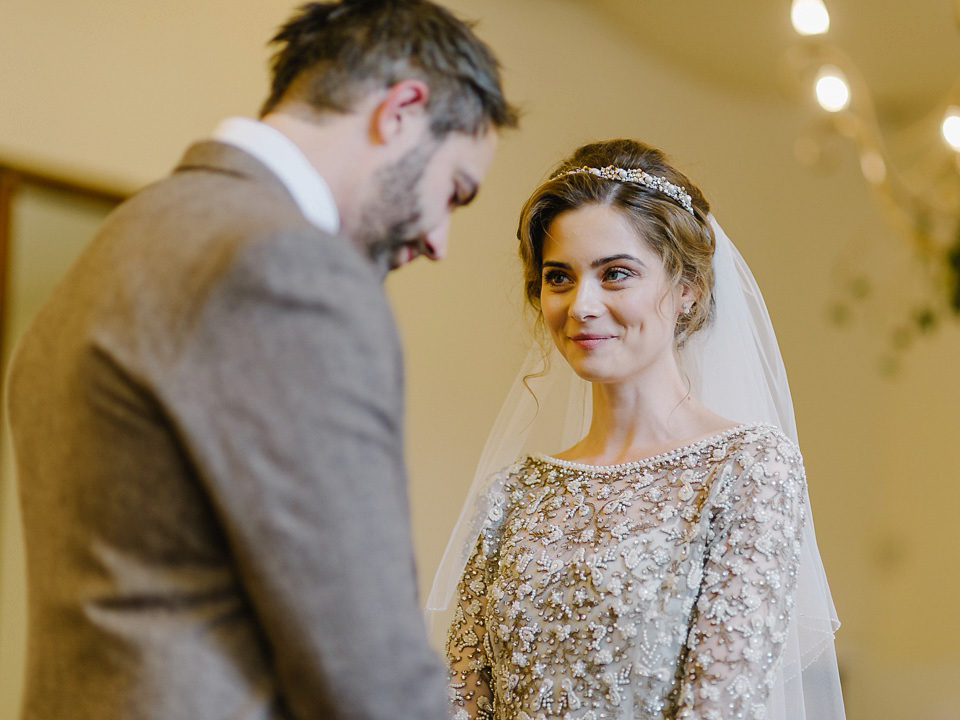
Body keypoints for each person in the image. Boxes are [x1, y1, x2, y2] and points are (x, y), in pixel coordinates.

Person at [6, 2, 517, 719]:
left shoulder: (119, 243)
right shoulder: (292, 270)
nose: (439, 240)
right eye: (455, 191)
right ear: (400, 110)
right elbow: (369, 674)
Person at [431, 139, 845, 719]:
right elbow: (460, 702)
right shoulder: (511, 496)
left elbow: (719, 706)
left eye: (616, 274)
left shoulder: (748, 469)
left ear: (686, 291)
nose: (582, 305)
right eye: (559, 277)